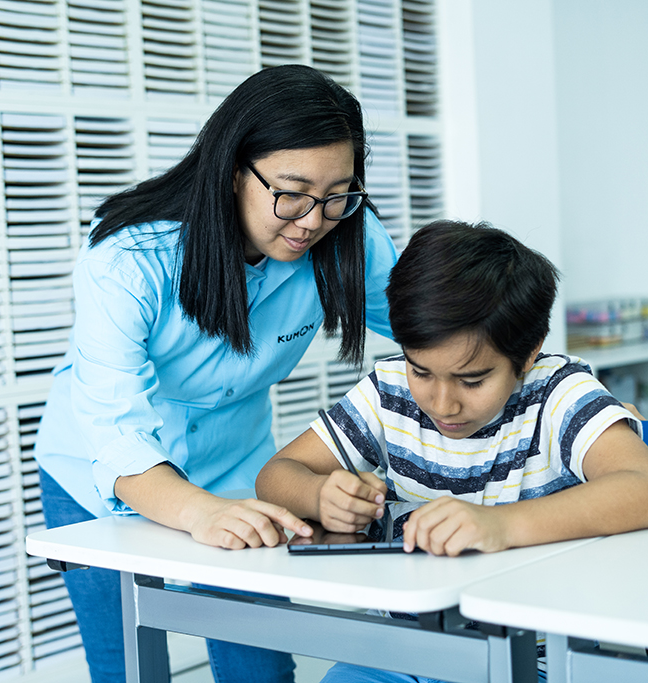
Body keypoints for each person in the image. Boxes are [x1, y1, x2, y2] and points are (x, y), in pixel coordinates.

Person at [33, 64, 400, 683]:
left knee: (259, 667)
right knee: (124, 667)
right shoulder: (129, 258)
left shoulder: (347, 233)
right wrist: (196, 511)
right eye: (292, 191)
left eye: (337, 194)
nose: (313, 220)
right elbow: (114, 425)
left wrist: (539, 381)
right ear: (234, 171)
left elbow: (434, 329)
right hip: (97, 471)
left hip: (235, 470)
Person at [255, 219, 648, 683]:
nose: (442, 403)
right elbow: (278, 474)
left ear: (529, 352)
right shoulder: (390, 390)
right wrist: (321, 496)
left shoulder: (559, 394)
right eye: (422, 371)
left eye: (472, 380)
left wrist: (499, 525)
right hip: (400, 650)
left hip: (534, 659)